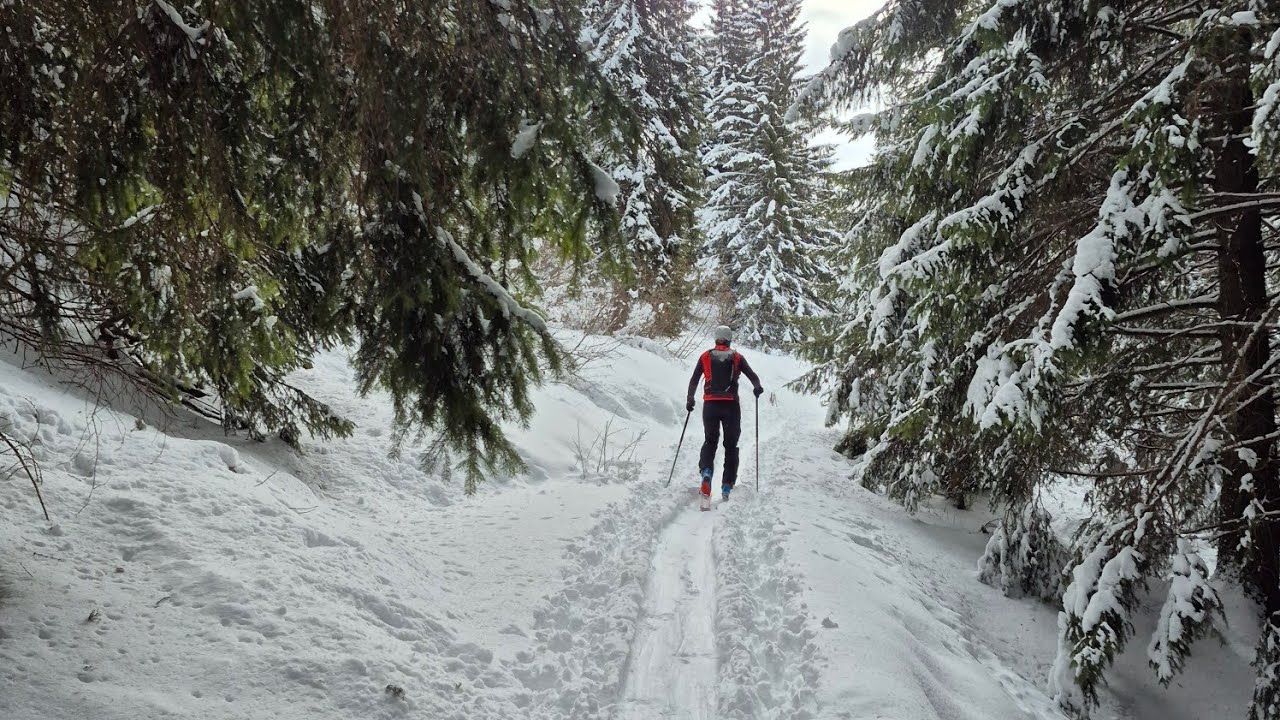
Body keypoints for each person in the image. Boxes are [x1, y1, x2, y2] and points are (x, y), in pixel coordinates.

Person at [686, 325, 763, 501]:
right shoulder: (736, 357)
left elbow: (694, 379)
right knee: (731, 446)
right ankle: (727, 485)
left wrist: (690, 399)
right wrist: (757, 388)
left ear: (716, 338)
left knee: (710, 441)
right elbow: (753, 377)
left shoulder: (705, 356)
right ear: (729, 339)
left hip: (710, 406)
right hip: (731, 407)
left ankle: (706, 472)